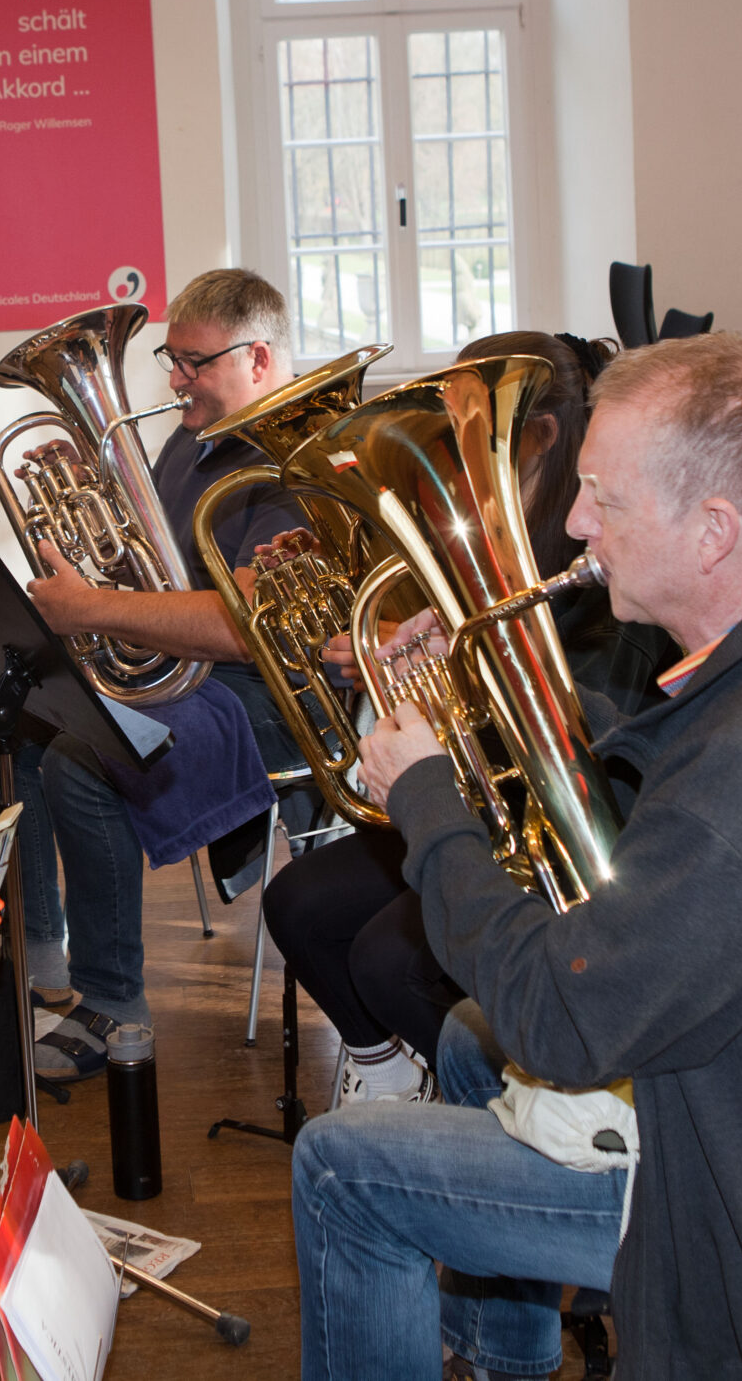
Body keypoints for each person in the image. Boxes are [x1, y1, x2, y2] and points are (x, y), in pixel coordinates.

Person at [292, 333, 742, 1381]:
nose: (574, 524)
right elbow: (696, 766)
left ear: (713, 532)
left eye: (604, 498)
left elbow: (561, 1017)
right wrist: (492, 695)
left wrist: (427, 801)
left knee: (340, 1168)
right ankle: (506, 1360)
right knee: (464, 1038)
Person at [262, 331, 671, 1107]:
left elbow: (574, 751)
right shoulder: (476, 529)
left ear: (539, 436)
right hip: (480, 801)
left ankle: (503, 1107)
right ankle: (396, 1073)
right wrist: (416, 657)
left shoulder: (594, 576)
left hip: (550, 827)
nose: (440, 459)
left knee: (388, 955)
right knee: (297, 902)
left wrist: (458, 672)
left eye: (452, 435)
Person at [0, 267, 314, 1078]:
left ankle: (114, 1002)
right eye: (170, 358)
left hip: (267, 692)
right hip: (185, 669)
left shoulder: (294, 455)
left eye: (194, 362)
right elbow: (156, 571)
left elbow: (243, 627)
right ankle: (37, 948)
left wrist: (93, 608)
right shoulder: (194, 435)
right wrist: (89, 505)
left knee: (86, 759)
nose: (175, 379)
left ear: (257, 358)